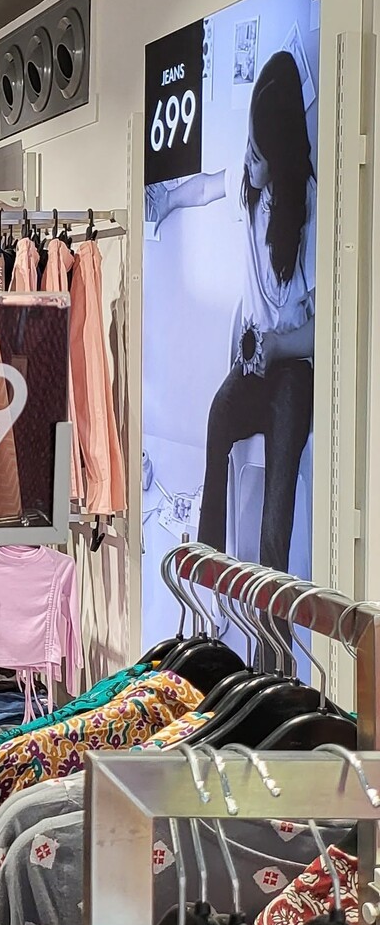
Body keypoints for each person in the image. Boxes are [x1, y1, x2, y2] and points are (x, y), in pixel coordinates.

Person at [197, 49, 316, 567]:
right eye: (248, 147)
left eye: (257, 154)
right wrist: (165, 200)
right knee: (218, 417)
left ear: (281, 158)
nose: (248, 162)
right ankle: (205, 566)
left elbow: (323, 330)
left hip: (292, 373)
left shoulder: (308, 206)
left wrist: (277, 346)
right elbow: (205, 186)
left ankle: (273, 607)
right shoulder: (250, 188)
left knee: (278, 496)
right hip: (254, 369)